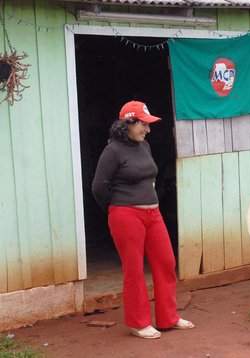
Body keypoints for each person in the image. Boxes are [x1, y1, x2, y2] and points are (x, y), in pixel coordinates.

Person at [92, 100, 195, 338]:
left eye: (148, 125)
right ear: (127, 123)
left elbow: (150, 176)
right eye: (143, 124)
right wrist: (116, 209)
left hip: (153, 213)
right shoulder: (113, 150)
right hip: (126, 215)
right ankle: (139, 323)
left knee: (166, 262)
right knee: (134, 269)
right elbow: (99, 186)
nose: (147, 129)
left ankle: (168, 317)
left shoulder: (144, 146)